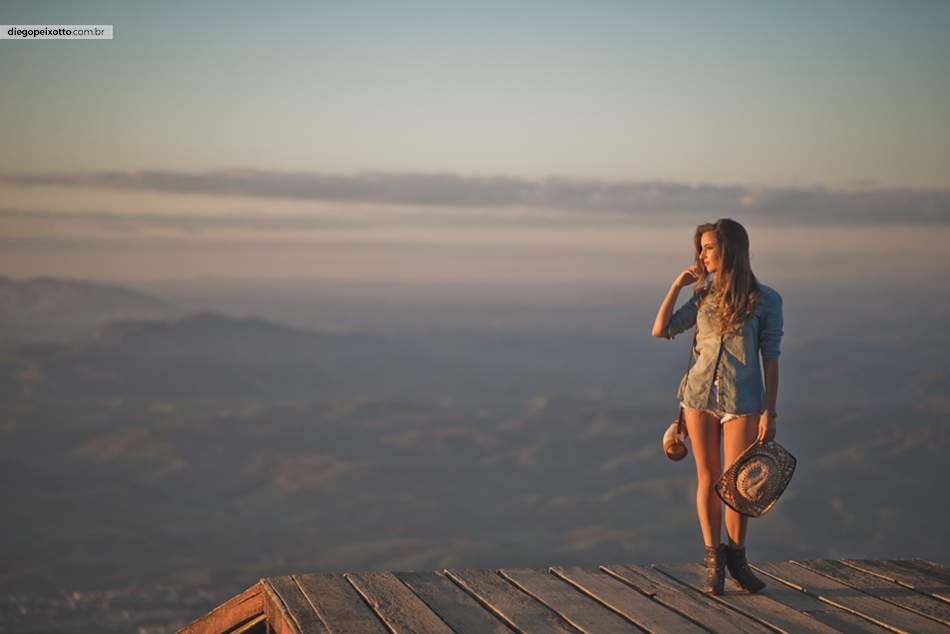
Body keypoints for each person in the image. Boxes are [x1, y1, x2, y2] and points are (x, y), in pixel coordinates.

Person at [652, 218, 783, 595]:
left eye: (709, 247)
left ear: (729, 249)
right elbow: (661, 329)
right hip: (698, 398)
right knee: (708, 480)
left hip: (743, 402)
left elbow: (770, 357)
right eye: (702, 248)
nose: (703, 255)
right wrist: (679, 285)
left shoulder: (767, 300)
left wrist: (769, 413)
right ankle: (714, 564)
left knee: (738, 486)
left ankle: (737, 558)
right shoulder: (704, 297)